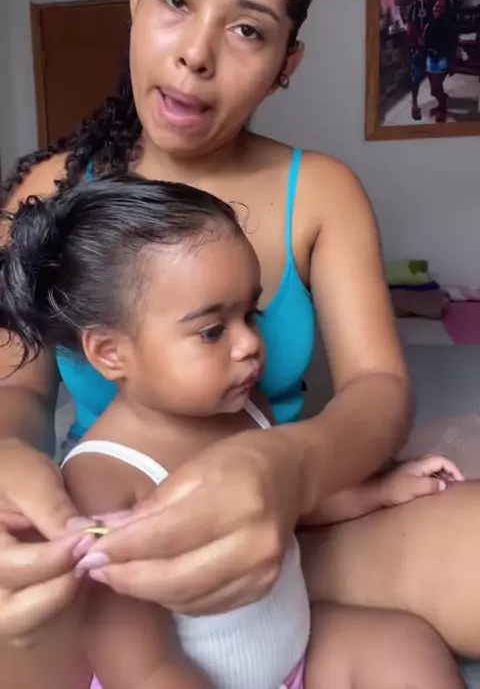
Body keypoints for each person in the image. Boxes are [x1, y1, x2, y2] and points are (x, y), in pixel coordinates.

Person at [0, 0, 470, 687]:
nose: (195, 52)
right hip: (127, 556)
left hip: (293, 519)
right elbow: (17, 386)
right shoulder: (50, 193)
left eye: (248, 29)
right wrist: (9, 458)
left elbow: (378, 390)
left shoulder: (321, 191)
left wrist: (287, 470)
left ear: (288, 62)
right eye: (176, 0)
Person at [0, 175, 465, 689]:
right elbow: (140, 666)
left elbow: (289, 501)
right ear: (110, 353)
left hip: (294, 655)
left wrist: (378, 491)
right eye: (212, 330)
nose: (248, 344)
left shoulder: (245, 406)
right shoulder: (102, 478)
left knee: (405, 645)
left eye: (251, 314)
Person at [407, 0, 439, 120]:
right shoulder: (416, 7)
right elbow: (410, 26)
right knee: (417, 77)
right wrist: (418, 40)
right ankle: (414, 103)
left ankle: (437, 93)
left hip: (436, 50)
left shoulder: (441, 6)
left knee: (436, 75)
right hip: (419, 49)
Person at [422, 0, 457, 122]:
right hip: (430, 59)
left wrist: (452, 65)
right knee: (434, 89)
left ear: (447, 10)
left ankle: (443, 109)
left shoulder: (449, 26)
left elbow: (453, 47)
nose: (438, 9)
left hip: (443, 59)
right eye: (437, 6)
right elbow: (424, 42)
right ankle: (441, 103)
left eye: (442, 7)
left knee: (435, 87)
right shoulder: (429, 23)